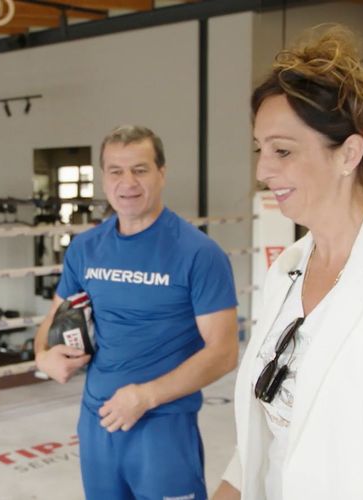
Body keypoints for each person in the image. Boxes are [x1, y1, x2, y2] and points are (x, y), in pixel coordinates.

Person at [212, 25, 363, 500]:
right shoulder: (286, 271)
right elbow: (270, 421)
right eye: (261, 149)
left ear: (349, 153)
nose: (262, 170)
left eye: (283, 151)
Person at [34, 125, 240, 500]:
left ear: (162, 173)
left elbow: (224, 352)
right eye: (116, 170)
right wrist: (42, 355)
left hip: (162, 425)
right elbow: (52, 321)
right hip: (97, 423)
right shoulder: (85, 249)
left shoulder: (199, 253)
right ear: (103, 178)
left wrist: (146, 396)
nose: (127, 182)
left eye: (140, 169)